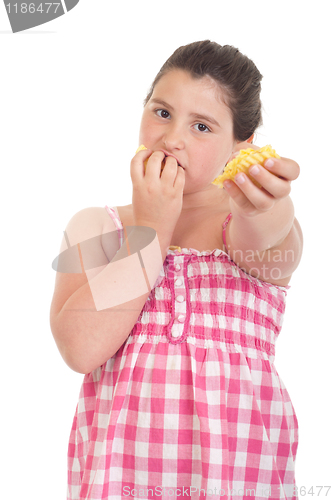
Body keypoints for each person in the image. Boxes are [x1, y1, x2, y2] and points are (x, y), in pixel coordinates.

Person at [50, 40, 303, 500]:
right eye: (162, 112)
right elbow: (80, 349)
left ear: (241, 145)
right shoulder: (96, 226)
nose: (173, 139)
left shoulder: (240, 223)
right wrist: (151, 228)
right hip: (120, 479)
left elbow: (269, 230)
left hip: (237, 477)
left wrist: (269, 202)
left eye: (202, 126)